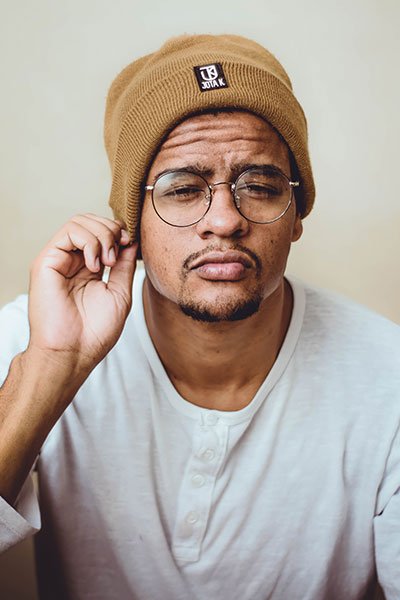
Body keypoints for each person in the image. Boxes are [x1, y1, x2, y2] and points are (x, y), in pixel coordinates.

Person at [0, 33, 399, 600]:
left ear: (297, 215)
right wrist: (50, 367)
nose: (225, 220)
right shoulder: (42, 335)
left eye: (258, 186)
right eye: (183, 189)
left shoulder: (388, 378)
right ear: (132, 222)